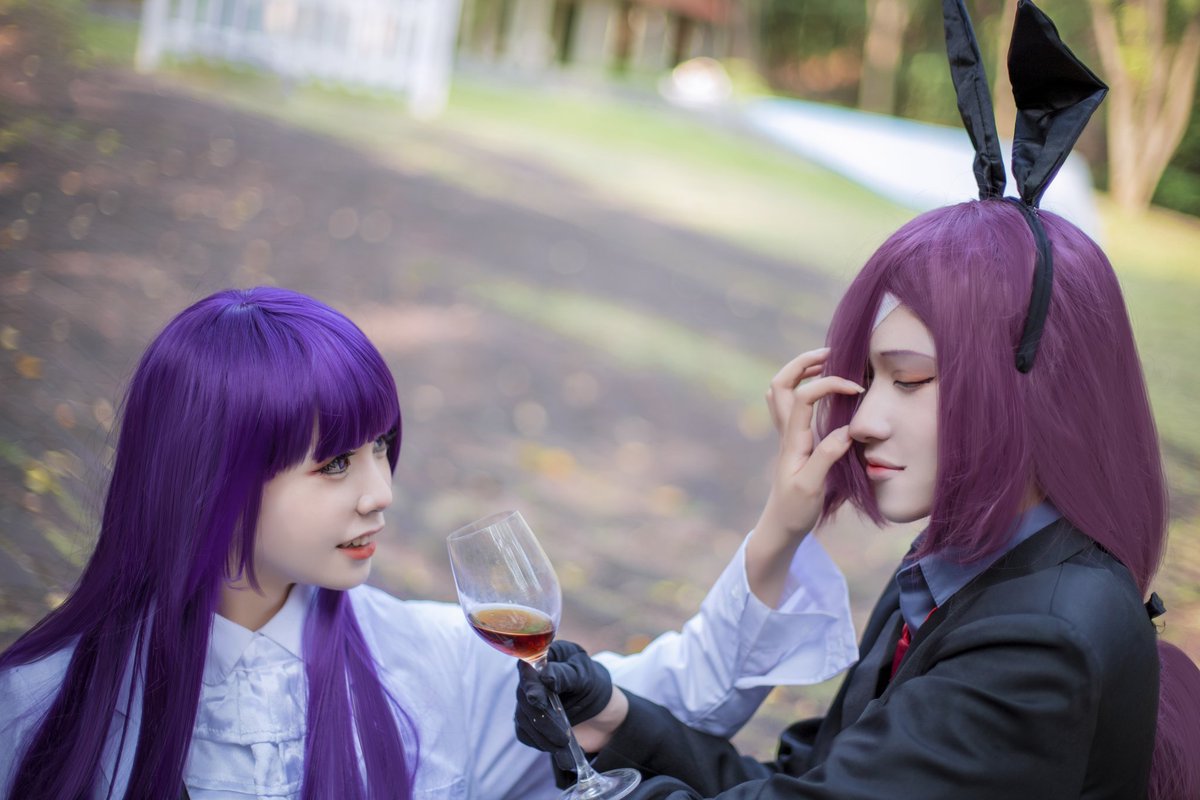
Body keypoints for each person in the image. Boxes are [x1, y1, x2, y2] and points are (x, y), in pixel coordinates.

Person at [511, 3, 1200, 795]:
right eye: (869, 379)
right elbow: (812, 776)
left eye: (911, 380)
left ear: (1032, 391)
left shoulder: (1040, 643)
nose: (865, 420)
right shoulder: (954, 565)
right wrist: (614, 718)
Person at [0, 287, 858, 800]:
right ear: (207, 477)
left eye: (381, 448)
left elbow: (682, 697)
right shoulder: (38, 705)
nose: (381, 491)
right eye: (335, 463)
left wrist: (782, 525)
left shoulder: (432, 663)